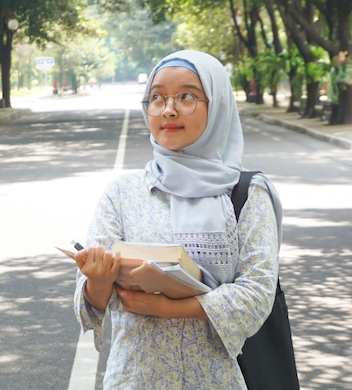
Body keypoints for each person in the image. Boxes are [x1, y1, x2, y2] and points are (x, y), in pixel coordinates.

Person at [73, 50, 283, 389]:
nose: (168, 109)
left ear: (217, 106)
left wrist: (168, 307)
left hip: (220, 379)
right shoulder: (122, 193)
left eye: (186, 96)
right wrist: (97, 281)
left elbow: (258, 294)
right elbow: (92, 305)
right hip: (134, 378)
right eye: (156, 97)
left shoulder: (247, 194)